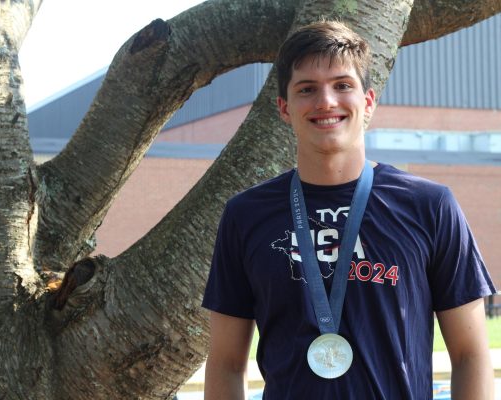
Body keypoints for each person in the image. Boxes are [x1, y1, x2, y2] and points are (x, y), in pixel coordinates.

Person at [202, 20, 497, 399]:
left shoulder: (429, 206)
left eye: (342, 85)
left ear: (368, 101)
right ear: (284, 108)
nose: (326, 101)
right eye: (307, 89)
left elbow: (471, 353)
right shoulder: (245, 216)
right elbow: (226, 363)